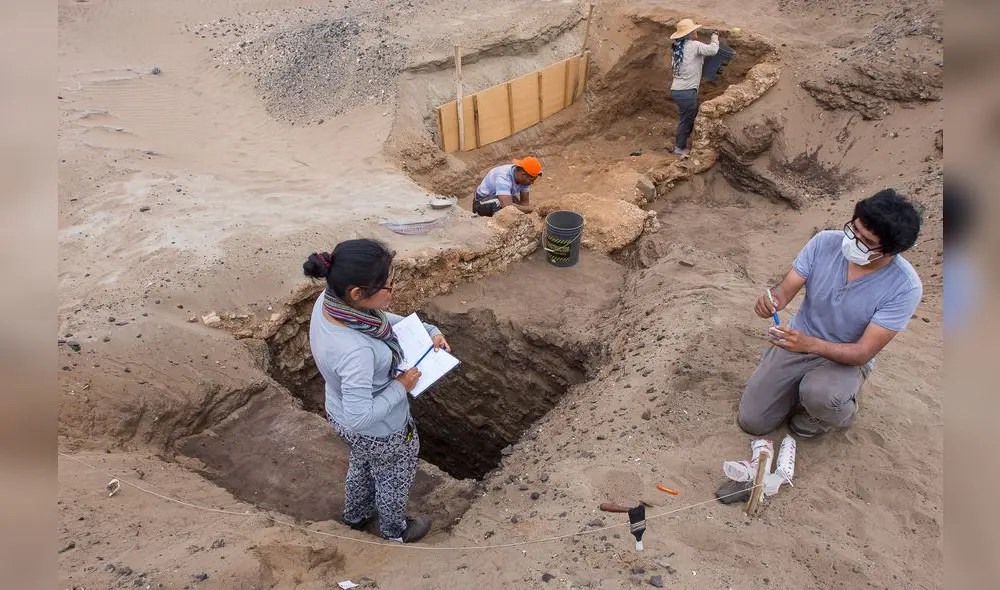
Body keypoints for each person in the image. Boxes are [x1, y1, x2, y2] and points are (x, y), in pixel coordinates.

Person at [738, 189, 923, 438]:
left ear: (889, 251)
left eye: (867, 242)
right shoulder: (824, 242)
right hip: (797, 343)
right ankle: (792, 382)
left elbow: (862, 352)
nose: (853, 241)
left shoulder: (905, 287)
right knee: (752, 421)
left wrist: (810, 345)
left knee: (822, 397)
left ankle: (836, 411)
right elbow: (785, 290)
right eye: (854, 229)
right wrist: (773, 300)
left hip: (843, 359)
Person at [303, 239, 451, 543]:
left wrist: (428, 330)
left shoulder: (331, 302)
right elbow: (360, 417)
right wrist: (401, 386)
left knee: (363, 462)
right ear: (357, 293)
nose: (392, 290)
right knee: (394, 475)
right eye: (387, 285)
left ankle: (355, 517)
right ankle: (395, 531)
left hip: (340, 413)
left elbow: (378, 321)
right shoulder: (356, 352)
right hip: (380, 430)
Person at [669, 18, 719, 156]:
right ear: (689, 33)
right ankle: (680, 148)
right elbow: (713, 50)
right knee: (687, 120)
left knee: (688, 116)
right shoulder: (694, 45)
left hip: (677, 90)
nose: (696, 31)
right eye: (694, 30)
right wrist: (715, 37)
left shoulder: (676, 48)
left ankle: (683, 142)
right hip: (687, 93)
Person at [472, 156, 542, 217]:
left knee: (515, 202)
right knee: (500, 203)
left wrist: (526, 214)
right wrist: (532, 209)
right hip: (481, 203)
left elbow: (524, 202)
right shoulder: (503, 177)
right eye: (531, 180)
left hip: (496, 197)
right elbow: (507, 206)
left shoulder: (524, 178)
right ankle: (496, 224)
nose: (532, 183)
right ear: (523, 175)